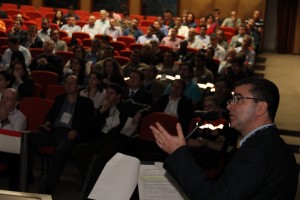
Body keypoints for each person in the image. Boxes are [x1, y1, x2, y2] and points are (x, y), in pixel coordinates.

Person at [150, 77, 298, 200]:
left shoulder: (257, 152)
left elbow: (214, 197)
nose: (229, 107)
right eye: (230, 100)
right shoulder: (268, 143)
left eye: (238, 100)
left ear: (260, 108)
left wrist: (178, 152)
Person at [28, 75, 94, 194]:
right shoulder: (59, 99)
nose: (68, 85)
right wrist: (48, 123)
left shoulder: (86, 103)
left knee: (61, 149)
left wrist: (77, 132)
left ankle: (48, 185)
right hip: (54, 131)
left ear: (78, 86)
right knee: (28, 138)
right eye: (66, 82)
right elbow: (50, 116)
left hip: (69, 134)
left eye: (71, 83)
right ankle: (26, 174)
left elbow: (89, 124)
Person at [0, 88, 27, 190]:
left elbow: (13, 141)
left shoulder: (20, 117)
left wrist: (4, 119)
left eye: (8, 99)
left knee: (15, 159)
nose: (3, 101)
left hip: (10, 150)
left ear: (16, 103)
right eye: (3, 97)